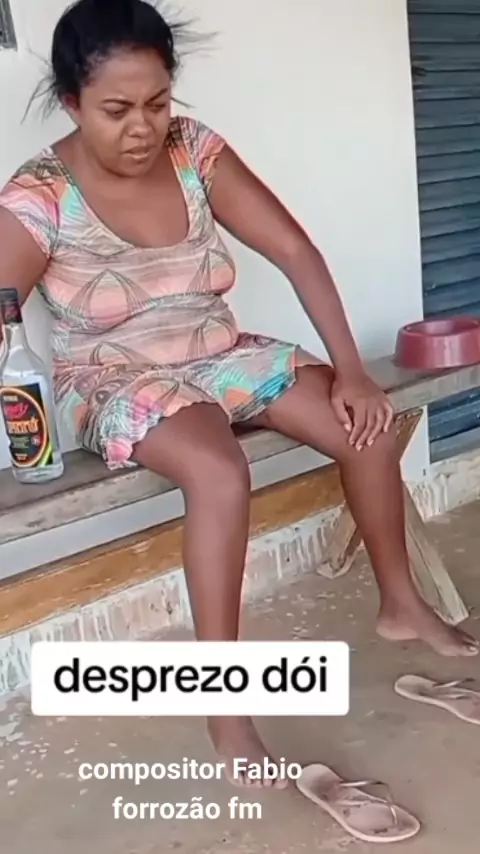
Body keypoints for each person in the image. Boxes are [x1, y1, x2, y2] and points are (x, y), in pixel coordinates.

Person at [0, 0, 477, 788]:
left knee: (364, 423)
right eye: (117, 110)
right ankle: (227, 713)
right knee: (219, 472)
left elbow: (294, 248)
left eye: (157, 102)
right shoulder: (39, 196)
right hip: (114, 378)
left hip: (218, 354)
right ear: (72, 102)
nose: (143, 127)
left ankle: (401, 602)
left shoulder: (195, 151)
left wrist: (351, 369)